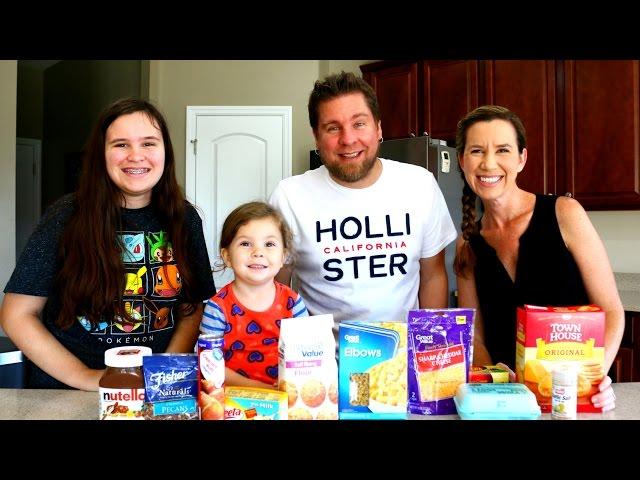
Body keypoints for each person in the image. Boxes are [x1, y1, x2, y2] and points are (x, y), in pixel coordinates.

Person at [0, 98, 216, 390]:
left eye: (149, 143)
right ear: (101, 154)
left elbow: (192, 309)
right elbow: (16, 315)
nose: (136, 155)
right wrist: (86, 378)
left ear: (166, 151)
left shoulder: (184, 218)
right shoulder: (65, 216)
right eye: (121, 144)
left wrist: (162, 370)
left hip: (155, 388)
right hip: (69, 393)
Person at [454, 105, 624, 412]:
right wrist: (497, 393)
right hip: (509, 406)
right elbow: (474, 335)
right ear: (462, 160)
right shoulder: (467, 244)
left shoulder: (565, 214)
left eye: (502, 149)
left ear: (522, 158)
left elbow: (611, 310)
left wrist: (596, 378)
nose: (488, 163)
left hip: (573, 401)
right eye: (477, 150)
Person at [269, 71, 457, 331]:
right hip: (321, 365)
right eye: (333, 128)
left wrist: (427, 353)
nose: (348, 139)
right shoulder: (289, 196)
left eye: (359, 124)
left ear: (378, 127)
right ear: (316, 136)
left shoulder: (420, 185)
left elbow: (433, 276)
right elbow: (272, 289)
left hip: (401, 361)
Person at [200, 201, 308, 389]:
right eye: (245, 243)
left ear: (283, 256)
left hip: (286, 398)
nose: (258, 252)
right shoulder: (217, 308)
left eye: (269, 244)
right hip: (234, 401)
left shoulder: (293, 303)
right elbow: (209, 366)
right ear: (226, 256)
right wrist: (257, 388)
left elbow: (307, 353)